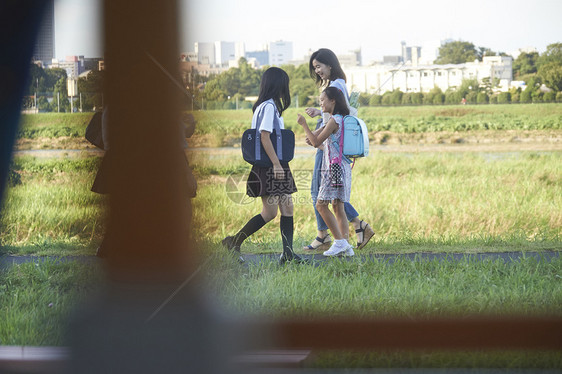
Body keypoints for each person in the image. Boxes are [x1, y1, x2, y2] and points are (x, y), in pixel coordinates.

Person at [222, 67, 304, 265]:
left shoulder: (266, 106)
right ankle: (233, 241)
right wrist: (276, 164)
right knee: (270, 212)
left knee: (287, 206)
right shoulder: (268, 107)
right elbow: (264, 136)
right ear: (278, 85)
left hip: (273, 163)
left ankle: (288, 254)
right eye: (285, 84)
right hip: (271, 164)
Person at [303, 48, 375, 251]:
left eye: (319, 66)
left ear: (330, 65)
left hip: (330, 149)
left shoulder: (336, 85)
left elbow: (337, 116)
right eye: (314, 67)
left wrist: (315, 132)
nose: (317, 71)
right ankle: (338, 235)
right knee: (332, 197)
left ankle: (331, 235)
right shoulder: (337, 85)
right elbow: (336, 114)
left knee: (322, 194)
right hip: (330, 145)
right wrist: (319, 114)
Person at [297, 87, 354, 256]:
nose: (320, 103)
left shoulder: (334, 120)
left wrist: (304, 124)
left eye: (323, 100)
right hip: (342, 167)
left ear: (333, 101)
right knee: (338, 206)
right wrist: (315, 138)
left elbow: (315, 142)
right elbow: (328, 146)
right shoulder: (342, 119)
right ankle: (346, 247)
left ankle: (339, 242)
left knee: (321, 205)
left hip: (333, 169)